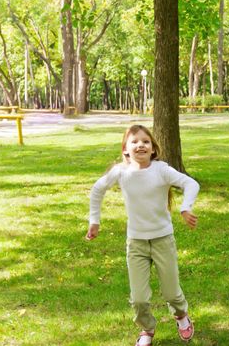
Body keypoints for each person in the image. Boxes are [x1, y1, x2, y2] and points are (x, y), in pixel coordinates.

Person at [86, 125, 199, 346]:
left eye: (145, 141)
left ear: (153, 149)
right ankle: (147, 329)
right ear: (125, 150)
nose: (140, 145)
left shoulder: (162, 170)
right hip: (136, 242)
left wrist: (186, 207)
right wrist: (94, 221)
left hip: (162, 240)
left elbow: (190, 183)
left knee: (171, 293)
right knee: (138, 298)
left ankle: (181, 315)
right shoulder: (121, 172)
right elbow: (97, 190)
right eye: (135, 141)